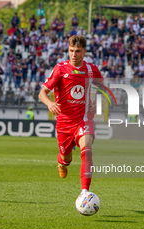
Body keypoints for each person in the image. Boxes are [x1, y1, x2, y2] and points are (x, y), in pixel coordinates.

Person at [39, 35, 103, 194]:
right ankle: (62, 162)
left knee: (87, 150)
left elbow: (100, 88)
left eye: (78, 51)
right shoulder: (60, 69)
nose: (74, 54)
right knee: (66, 157)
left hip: (84, 119)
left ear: (84, 52)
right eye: (71, 51)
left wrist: (96, 101)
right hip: (64, 122)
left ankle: (85, 192)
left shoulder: (91, 69)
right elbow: (42, 93)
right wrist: (50, 103)